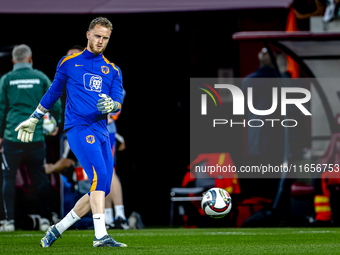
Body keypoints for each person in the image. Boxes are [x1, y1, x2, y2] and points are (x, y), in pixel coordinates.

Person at [15, 17, 127, 248]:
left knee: (103, 187)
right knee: (98, 178)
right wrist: (34, 118)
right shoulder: (69, 63)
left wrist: (113, 106)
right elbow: (53, 92)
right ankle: (100, 236)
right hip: (78, 128)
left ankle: (56, 229)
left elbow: (117, 100)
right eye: (97, 36)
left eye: (105, 38)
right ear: (88, 35)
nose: (101, 41)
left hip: (102, 132)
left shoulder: (114, 70)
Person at [0, 44, 62, 232]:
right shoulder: (41, 77)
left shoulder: (6, 79)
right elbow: (56, 101)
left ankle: (8, 221)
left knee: (8, 178)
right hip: (35, 138)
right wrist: (56, 123)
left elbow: (1, 109)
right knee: (41, 178)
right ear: (30, 59)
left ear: (13, 61)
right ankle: (44, 219)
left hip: (12, 136)